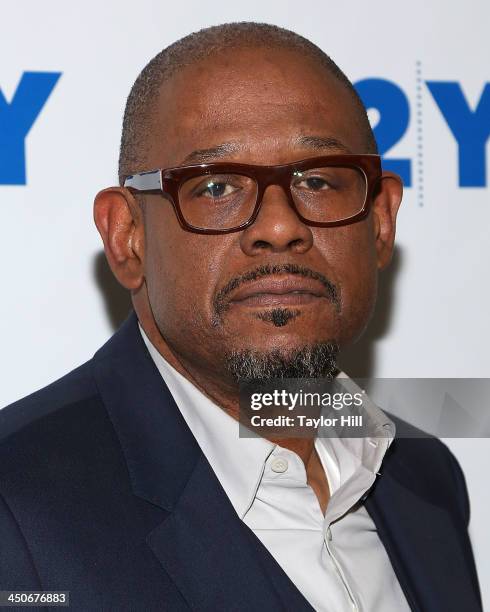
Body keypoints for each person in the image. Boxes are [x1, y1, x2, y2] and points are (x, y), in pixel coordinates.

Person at [0, 22, 481, 612]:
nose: (280, 226)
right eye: (217, 185)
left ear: (381, 221)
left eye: (319, 180)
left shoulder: (425, 479)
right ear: (127, 238)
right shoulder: (15, 503)